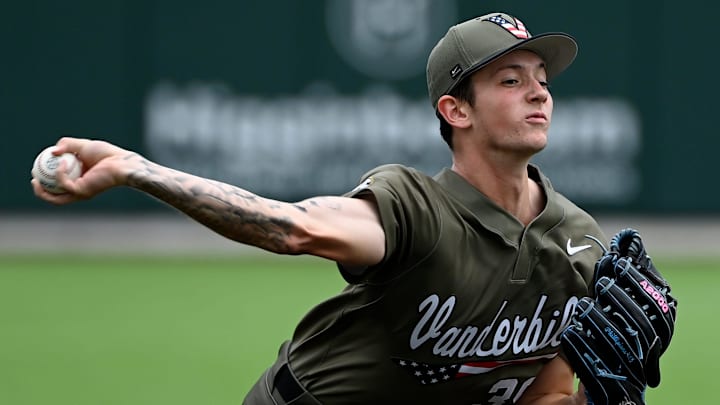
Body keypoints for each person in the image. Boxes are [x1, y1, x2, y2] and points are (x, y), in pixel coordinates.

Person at [33, 12, 607, 405]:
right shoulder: (416, 209)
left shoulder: (581, 242)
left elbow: (545, 394)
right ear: (457, 111)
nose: (539, 93)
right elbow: (294, 229)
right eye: (511, 80)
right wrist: (138, 170)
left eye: (542, 80)